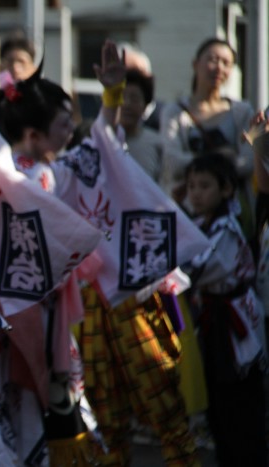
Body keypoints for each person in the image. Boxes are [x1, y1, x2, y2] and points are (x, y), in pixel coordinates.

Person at [0, 40, 206, 466]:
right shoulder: (21, 173)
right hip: (20, 313)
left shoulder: (53, 170)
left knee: (51, 410)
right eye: (64, 123)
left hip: (55, 307)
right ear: (33, 134)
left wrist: (113, 95)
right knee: (45, 411)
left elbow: (102, 143)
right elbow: (1, 161)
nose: (71, 131)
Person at [183, 154, 267, 466]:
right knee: (218, 409)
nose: (196, 193)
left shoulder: (227, 229)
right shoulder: (198, 224)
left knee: (241, 410)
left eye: (204, 185)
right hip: (214, 323)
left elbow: (197, 269)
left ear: (227, 190)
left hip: (235, 326)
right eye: (191, 186)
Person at [159, 38, 254, 234]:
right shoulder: (174, 111)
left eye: (226, 63)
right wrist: (224, 158)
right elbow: (172, 162)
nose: (219, 67)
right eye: (212, 59)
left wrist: (196, 163)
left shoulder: (242, 112)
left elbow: (249, 162)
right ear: (195, 64)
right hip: (186, 215)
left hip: (231, 217)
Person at [121, 69, 163, 182]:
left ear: (145, 106)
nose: (127, 104)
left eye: (134, 99)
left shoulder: (157, 144)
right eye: (121, 97)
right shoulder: (100, 140)